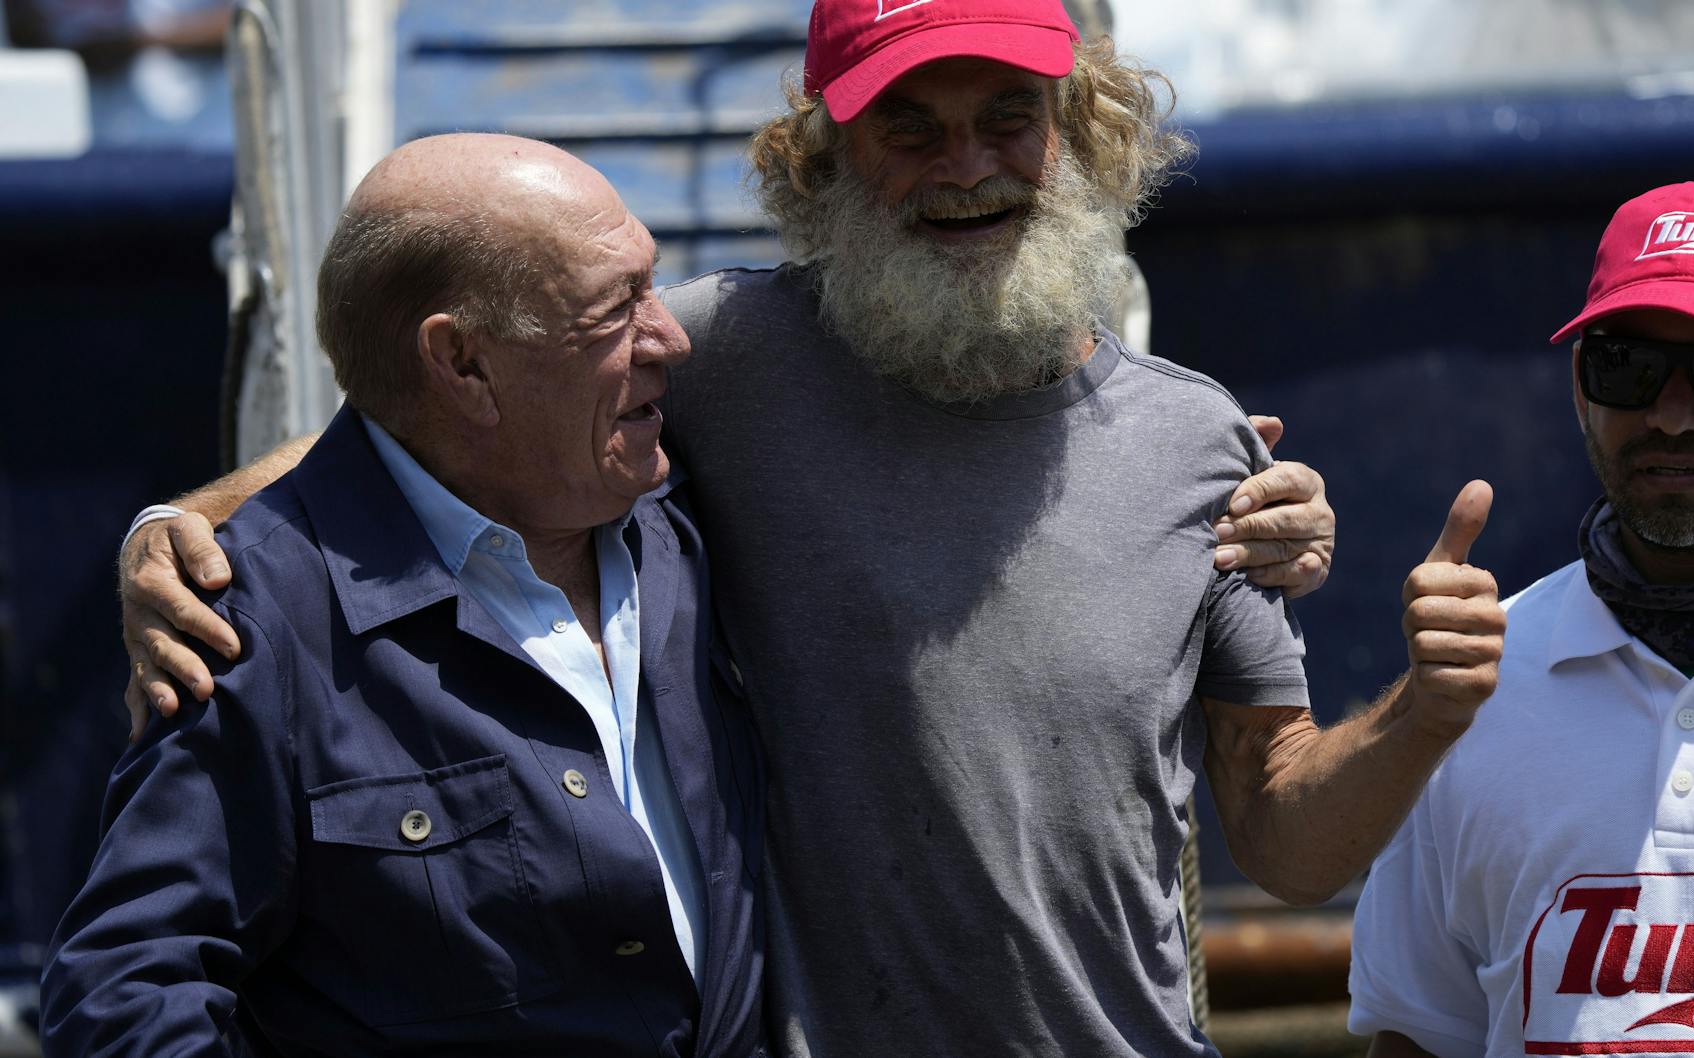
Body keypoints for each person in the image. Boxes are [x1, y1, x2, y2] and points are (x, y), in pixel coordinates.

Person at [118, 2, 1507, 1054]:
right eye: (912, 125)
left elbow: (1289, 843)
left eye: (1007, 116)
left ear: (1076, 133)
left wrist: (1428, 707)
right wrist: (181, 521)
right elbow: (428, 413)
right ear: (826, 157)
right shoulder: (720, 359)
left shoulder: (1200, 439)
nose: (967, 166)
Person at [42, 134, 767, 1057]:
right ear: (462, 363)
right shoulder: (260, 626)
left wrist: (166, 517)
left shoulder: (683, 499)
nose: (672, 336)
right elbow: (123, 1000)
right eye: (617, 305)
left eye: (651, 284)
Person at [1347, 179, 1694, 1058]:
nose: (1673, 414)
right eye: (1626, 368)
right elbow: (1421, 1033)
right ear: (1582, 389)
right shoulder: (1475, 688)